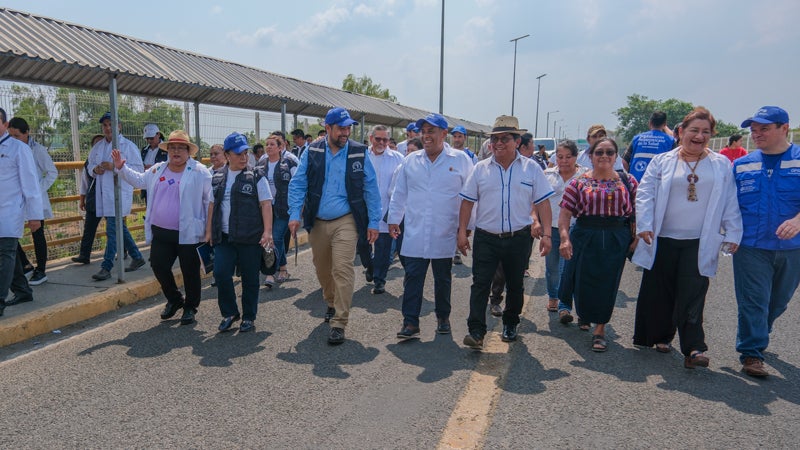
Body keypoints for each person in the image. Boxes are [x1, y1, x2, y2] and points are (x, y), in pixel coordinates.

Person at [631, 107, 743, 369]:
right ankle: (661, 337)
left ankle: (694, 347)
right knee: (661, 290)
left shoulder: (721, 164)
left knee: (692, 293)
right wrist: (644, 224)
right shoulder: (662, 161)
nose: (699, 136)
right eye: (694, 130)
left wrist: (733, 232)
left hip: (698, 241)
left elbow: (730, 200)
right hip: (662, 238)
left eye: (706, 132)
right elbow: (645, 194)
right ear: (681, 132)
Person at [458, 115, 553, 349]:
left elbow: (543, 203)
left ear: (517, 141)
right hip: (486, 237)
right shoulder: (480, 169)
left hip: (518, 238)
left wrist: (547, 235)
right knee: (480, 284)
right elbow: (467, 203)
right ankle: (476, 331)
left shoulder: (531, 169)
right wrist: (462, 232)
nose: (498, 143)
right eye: (495, 139)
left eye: (504, 139)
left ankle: (510, 324)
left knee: (515, 284)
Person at [288, 107, 381, 345]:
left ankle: (339, 321)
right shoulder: (313, 151)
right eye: (341, 128)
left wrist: (373, 222)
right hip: (318, 221)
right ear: (328, 128)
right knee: (322, 269)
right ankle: (330, 302)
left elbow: (371, 188)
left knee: (342, 268)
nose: (346, 132)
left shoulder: (359, 153)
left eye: (348, 128)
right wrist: (294, 214)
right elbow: (298, 183)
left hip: (346, 219)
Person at [113, 130, 213, 325]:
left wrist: (209, 230)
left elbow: (210, 201)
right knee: (159, 266)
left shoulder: (199, 171)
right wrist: (121, 168)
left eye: (181, 148)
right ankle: (175, 299)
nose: (176, 151)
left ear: (188, 152)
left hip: (188, 232)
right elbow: (139, 180)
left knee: (190, 271)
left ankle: (190, 307)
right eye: (172, 147)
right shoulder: (158, 169)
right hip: (161, 231)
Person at [388, 113, 473, 340]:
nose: (426, 136)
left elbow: (470, 196)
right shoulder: (411, 161)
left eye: (431, 131)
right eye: (423, 132)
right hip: (416, 230)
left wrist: (466, 228)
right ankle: (410, 322)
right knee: (413, 277)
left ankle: (443, 318)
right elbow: (400, 192)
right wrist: (393, 219)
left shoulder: (460, 160)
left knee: (443, 278)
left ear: (443, 134)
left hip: (445, 230)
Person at [732, 106, 800, 378]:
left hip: (793, 249)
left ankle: (761, 329)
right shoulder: (741, 165)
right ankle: (751, 353)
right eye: (753, 130)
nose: (757, 134)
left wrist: (798, 221)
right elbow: (726, 205)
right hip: (751, 247)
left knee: (778, 302)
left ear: (784, 128)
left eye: (764, 129)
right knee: (753, 301)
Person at [558, 137, 638, 352]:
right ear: (591, 156)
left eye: (609, 152)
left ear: (616, 156)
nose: (604, 156)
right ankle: (585, 314)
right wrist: (565, 239)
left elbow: (638, 210)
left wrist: (636, 237)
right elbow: (565, 214)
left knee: (608, 282)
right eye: (599, 152)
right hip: (585, 234)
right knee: (583, 280)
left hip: (616, 236)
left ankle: (600, 329)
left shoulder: (628, 181)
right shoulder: (578, 183)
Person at [207, 132, 274, 333]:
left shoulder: (256, 176)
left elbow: (266, 204)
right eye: (238, 154)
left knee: (250, 279)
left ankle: (249, 317)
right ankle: (230, 313)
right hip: (224, 238)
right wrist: (209, 231)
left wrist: (268, 232)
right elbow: (212, 205)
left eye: (245, 153)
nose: (244, 157)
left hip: (250, 237)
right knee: (221, 274)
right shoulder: (217, 177)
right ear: (227, 155)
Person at [86, 112, 146, 281]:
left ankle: (107, 266)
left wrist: (115, 167)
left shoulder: (128, 146)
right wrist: (95, 169)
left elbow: (139, 170)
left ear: (119, 126)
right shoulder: (98, 147)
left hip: (120, 192)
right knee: (119, 227)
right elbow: (89, 165)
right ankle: (137, 256)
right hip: (104, 195)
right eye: (104, 125)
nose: (107, 128)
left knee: (112, 230)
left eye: (111, 124)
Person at [0, 107, 43, 316]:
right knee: (9, 255)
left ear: (5, 124)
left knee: (5, 254)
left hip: (10, 212)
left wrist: (34, 215)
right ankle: (22, 290)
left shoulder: (19, 149)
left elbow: (30, 183)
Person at [7, 117, 57, 286]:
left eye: (17, 136)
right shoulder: (10, 150)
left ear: (27, 133)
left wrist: (36, 190)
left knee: (37, 234)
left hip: (35, 200)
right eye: (11, 136)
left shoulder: (38, 150)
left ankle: (41, 271)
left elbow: (52, 172)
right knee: (10, 233)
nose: (13, 139)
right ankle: (26, 266)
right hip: (16, 200)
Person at [543, 140, 588, 321]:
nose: (564, 161)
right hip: (551, 228)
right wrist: (536, 221)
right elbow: (538, 200)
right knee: (551, 268)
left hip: (575, 229)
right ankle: (553, 296)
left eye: (568, 157)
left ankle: (564, 305)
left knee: (566, 268)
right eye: (560, 157)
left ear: (576, 157)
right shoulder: (547, 175)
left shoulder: (585, 176)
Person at [360, 125, 404, 294]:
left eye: (385, 140)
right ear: (371, 138)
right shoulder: (362, 156)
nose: (381, 143)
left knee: (384, 250)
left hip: (387, 211)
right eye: (378, 139)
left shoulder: (398, 158)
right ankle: (370, 265)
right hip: (364, 210)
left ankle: (379, 280)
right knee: (362, 245)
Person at [257, 134, 297, 287]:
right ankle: (282, 268)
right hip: (266, 208)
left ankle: (270, 272)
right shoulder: (261, 164)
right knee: (269, 238)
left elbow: (298, 184)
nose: (268, 147)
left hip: (284, 208)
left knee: (277, 237)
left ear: (280, 147)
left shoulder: (289, 162)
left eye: (272, 144)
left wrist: (298, 208)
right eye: (267, 144)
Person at [72, 134, 106, 265]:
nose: (99, 146)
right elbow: (84, 183)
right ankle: (84, 255)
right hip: (94, 198)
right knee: (89, 228)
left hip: (109, 197)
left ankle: (123, 250)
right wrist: (82, 200)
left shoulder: (110, 160)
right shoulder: (88, 163)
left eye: (102, 143)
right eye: (96, 144)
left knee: (115, 227)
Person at [622, 111, 676, 181]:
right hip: (658, 182)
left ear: (650, 123)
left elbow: (624, 161)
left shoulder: (637, 139)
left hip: (636, 182)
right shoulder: (670, 141)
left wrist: (628, 179)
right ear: (665, 124)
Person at [139, 124, 167, 205]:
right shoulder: (144, 150)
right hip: (148, 185)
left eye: (151, 138)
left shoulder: (167, 149)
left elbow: (171, 166)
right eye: (147, 138)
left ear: (158, 134)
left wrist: (154, 168)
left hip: (162, 186)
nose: (149, 141)